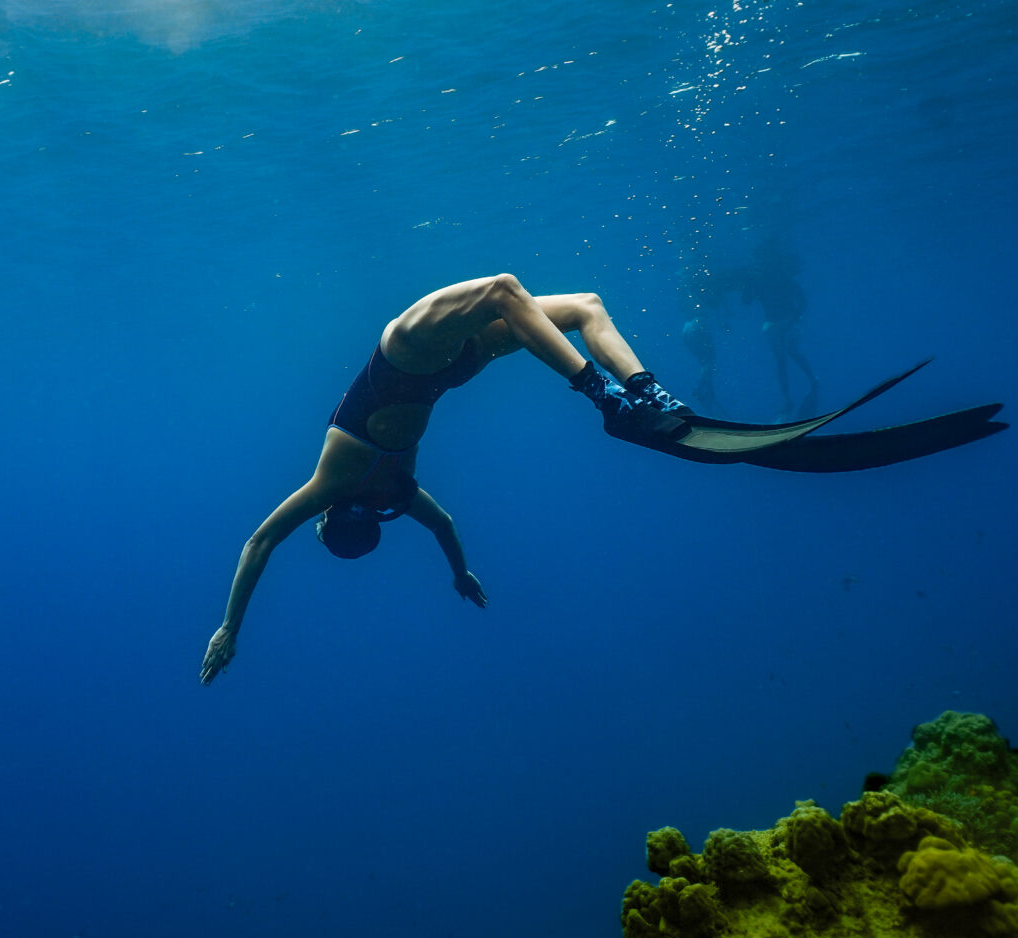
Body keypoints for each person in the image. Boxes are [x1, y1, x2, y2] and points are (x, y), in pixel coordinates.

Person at [198, 273, 687, 685]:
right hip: (408, 350)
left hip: (449, 368)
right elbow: (258, 543)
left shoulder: (397, 495)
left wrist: (459, 573)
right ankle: (615, 395)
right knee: (509, 290)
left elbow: (444, 525)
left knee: (581, 305)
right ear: (333, 514)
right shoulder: (335, 484)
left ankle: (646, 397)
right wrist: (226, 626)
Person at [678, 235, 820, 418]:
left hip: (787, 323)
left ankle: (809, 384)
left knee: (791, 354)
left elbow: (801, 303)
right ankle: (788, 401)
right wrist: (748, 286)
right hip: (774, 325)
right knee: (781, 362)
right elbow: (747, 301)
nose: (760, 264)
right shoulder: (763, 280)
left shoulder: (781, 278)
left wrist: (791, 321)